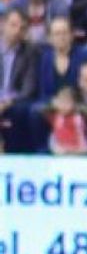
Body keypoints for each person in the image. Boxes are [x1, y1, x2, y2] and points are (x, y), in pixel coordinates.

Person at [28, 15, 87, 149]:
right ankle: (42, 150)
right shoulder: (45, 58)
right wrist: (54, 102)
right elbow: (42, 92)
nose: (61, 37)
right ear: (49, 38)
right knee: (34, 111)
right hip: (53, 103)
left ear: (72, 35)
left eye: (64, 33)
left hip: (78, 103)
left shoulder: (84, 55)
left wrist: (73, 103)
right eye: (56, 34)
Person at [0, 9, 39, 153]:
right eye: (13, 25)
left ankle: (14, 155)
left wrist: (7, 102)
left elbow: (29, 87)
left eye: (22, 28)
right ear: (2, 25)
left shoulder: (30, 51)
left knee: (20, 111)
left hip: (14, 102)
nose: (17, 31)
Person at [44, 85, 87, 155]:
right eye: (61, 102)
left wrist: (76, 108)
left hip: (77, 149)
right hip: (61, 149)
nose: (64, 105)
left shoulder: (78, 117)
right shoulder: (55, 117)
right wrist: (53, 104)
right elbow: (44, 111)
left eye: (67, 102)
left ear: (74, 104)